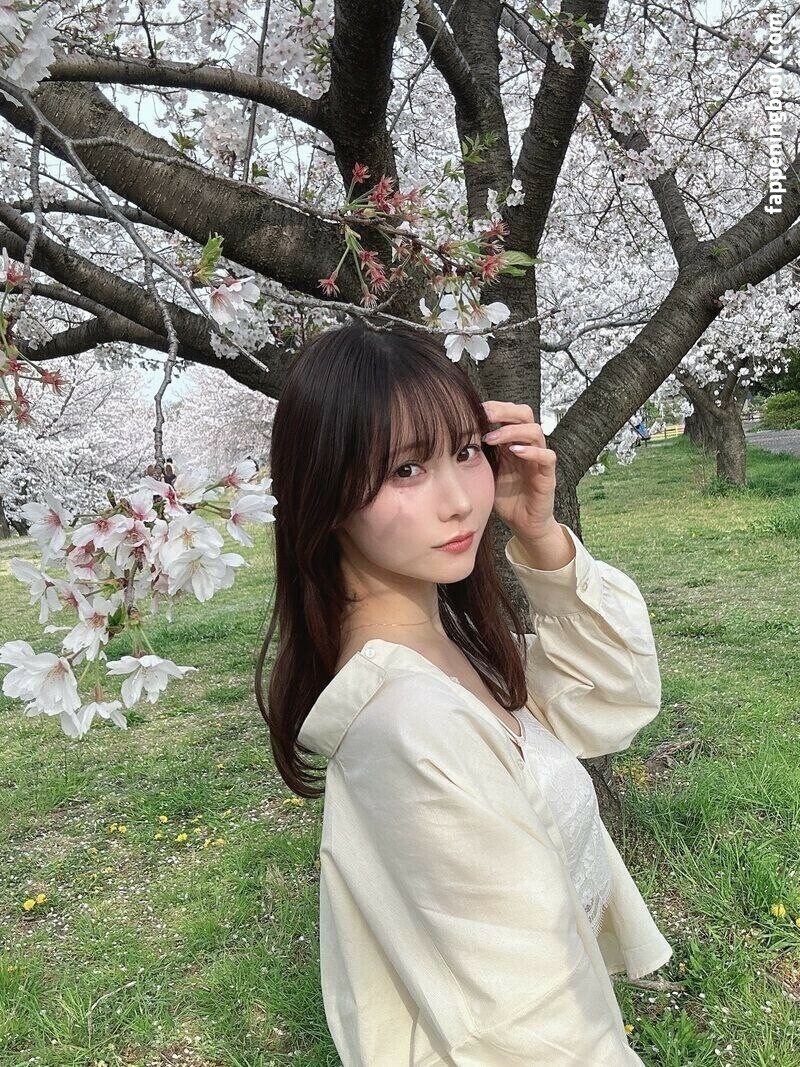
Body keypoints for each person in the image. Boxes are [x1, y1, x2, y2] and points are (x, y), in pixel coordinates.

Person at [256, 319, 673, 1065]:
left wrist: (541, 534)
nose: (458, 501)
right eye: (405, 469)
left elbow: (612, 694)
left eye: (465, 452)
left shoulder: (450, 648)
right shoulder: (411, 721)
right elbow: (531, 1021)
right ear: (326, 491)